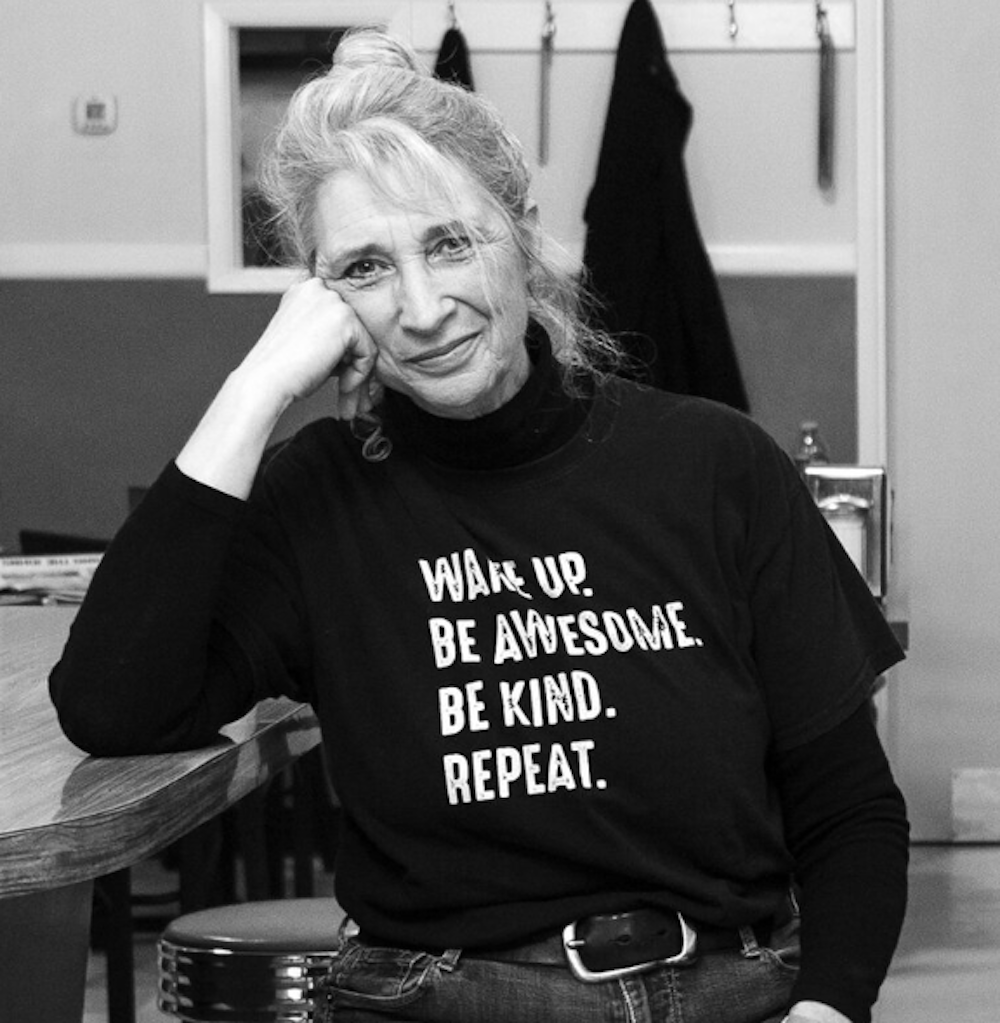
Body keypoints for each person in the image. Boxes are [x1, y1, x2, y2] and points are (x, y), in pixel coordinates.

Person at [49, 27, 908, 1023]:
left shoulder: (716, 465)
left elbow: (848, 805)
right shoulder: (319, 497)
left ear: (521, 231)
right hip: (441, 995)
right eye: (365, 269)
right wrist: (254, 390)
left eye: (449, 243)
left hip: (731, 985)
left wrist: (827, 1010)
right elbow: (114, 705)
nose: (422, 308)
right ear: (320, 297)